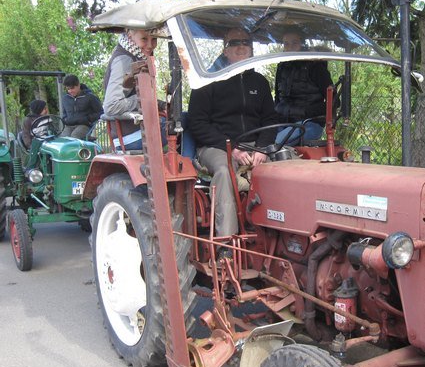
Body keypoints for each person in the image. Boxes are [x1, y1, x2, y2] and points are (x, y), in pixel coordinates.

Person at [187, 28, 278, 241]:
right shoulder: (207, 81)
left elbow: (270, 120)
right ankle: (226, 244)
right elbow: (197, 123)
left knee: (287, 166)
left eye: (246, 42)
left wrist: (263, 149)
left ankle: (280, 236)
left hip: (255, 145)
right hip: (216, 146)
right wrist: (231, 148)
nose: (241, 46)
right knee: (225, 172)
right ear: (225, 50)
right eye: (234, 42)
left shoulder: (260, 83)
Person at [103, 28, 165, 150]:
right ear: (130, 35)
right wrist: (144, 100)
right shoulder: (125, 59)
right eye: (144, 39)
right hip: (130, 136)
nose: (150, 45)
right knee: (186, 122)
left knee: (179, 119)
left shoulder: (137, 56)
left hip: (136, 131)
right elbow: (111, 106)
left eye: (154, 39)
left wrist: (161, 104)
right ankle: (189, 164)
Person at [274, 29, 333, 146]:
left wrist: (306, 112)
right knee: (260, 140)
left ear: (303, 44)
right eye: (286, 44)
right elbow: (277, 97)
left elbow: (334, 101)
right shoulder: (282, 66)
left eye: (294, 43)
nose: (290, 47)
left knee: (274, 144)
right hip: (284, 122)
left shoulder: (315, 67)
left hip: (309, 123)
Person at [61, 74, 103, 139]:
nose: (70, 91)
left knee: (75, 137)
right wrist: (65, 120)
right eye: (68, 89)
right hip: (69, 125)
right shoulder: (65, 98)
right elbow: (64, 114)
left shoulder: (90, 97)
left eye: (72, 88)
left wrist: (87, 119)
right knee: (63, 139)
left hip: (84, 125)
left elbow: (100, 112)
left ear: (78, 85)